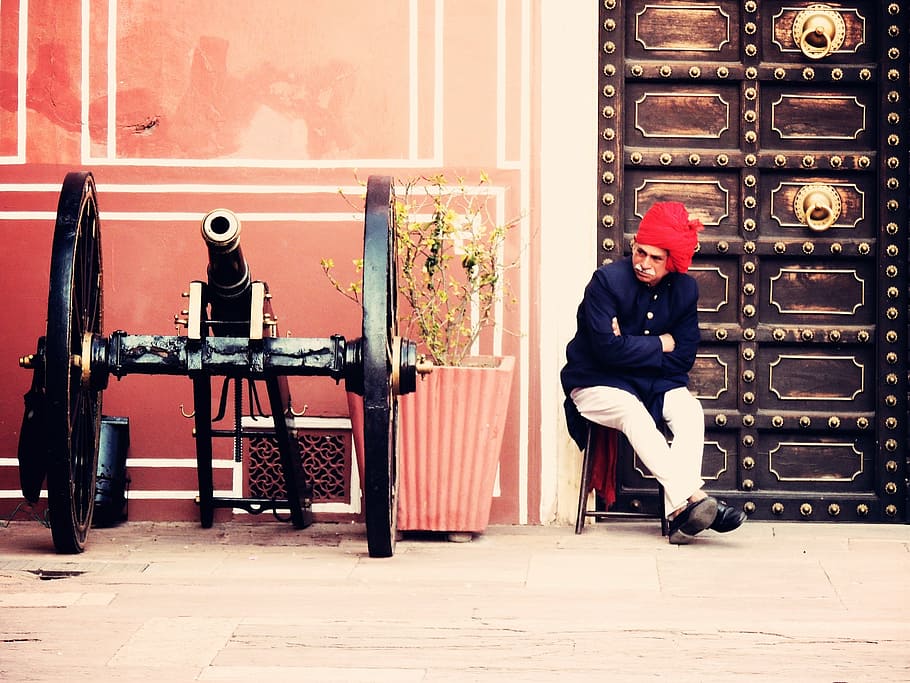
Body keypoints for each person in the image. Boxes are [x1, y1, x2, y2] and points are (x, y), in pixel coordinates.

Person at [561, 201, 746, 544]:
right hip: (594, 382)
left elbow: (684, 357)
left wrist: (626, 346)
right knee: (633, 413)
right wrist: (661, 343)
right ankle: (693, 501)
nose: (644, 264)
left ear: (672, 262)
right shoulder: (605, 282)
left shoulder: (685, 290)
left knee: (690, 411)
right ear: (633, 246)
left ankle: (679, 516)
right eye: (640, 252)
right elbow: (604, 351)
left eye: (655, 258)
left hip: (654, 385)